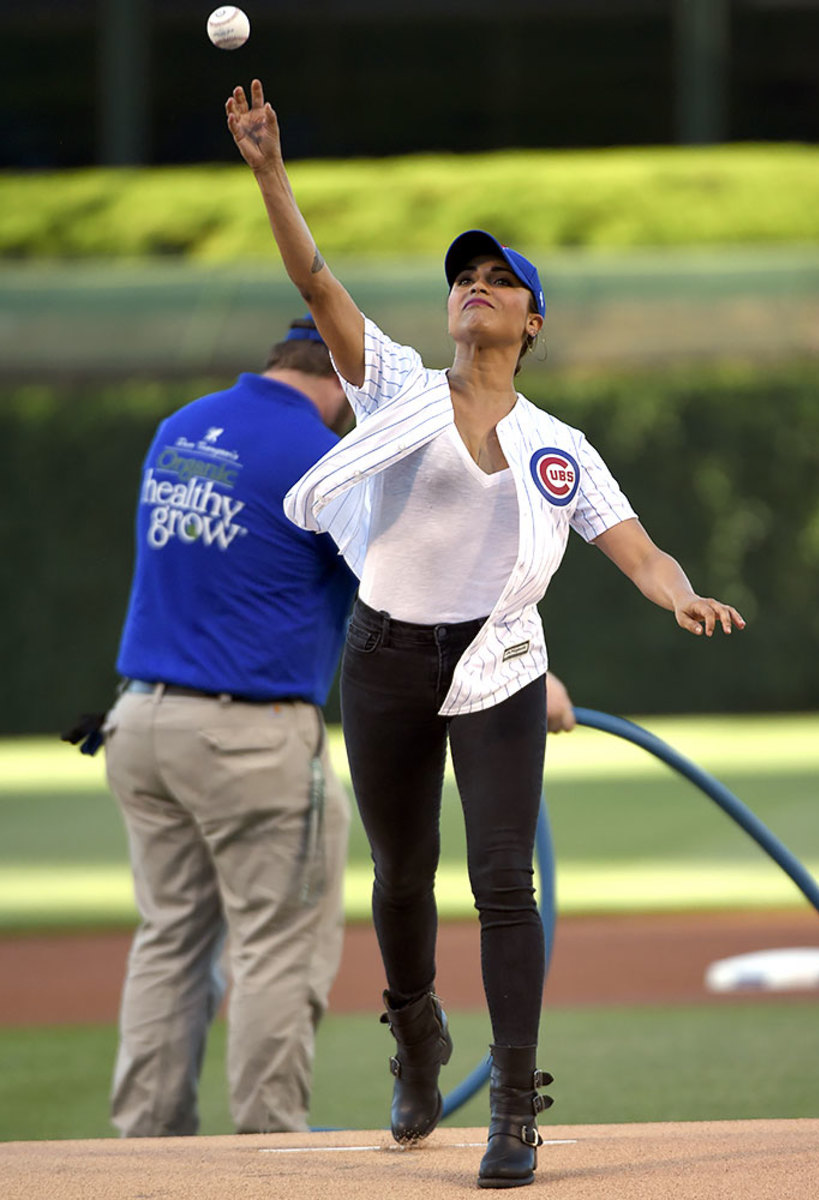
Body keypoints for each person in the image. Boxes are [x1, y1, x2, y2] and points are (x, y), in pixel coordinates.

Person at [226, 78, 745, 1188]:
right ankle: (417, 1037)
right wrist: (271, 171)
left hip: (496, 665)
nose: (473, 289)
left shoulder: (560, 446)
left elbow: (636, 549)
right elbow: (315, 283)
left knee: (504, 880)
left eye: (497, 281)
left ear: (530, 321)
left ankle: (515, 1105)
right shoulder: (396, 389)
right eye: (463, 277)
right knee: (402, 874)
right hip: (382, 659)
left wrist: (675, 592)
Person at [101, 317, 358, 1137]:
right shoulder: (323, 458)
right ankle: (267, 1160)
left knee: (169, 940)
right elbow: (403, 595)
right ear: (344, 379)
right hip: (249, 734)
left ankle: (145, 1157)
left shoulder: (182, 427)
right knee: (277, 948)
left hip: (139, 723)